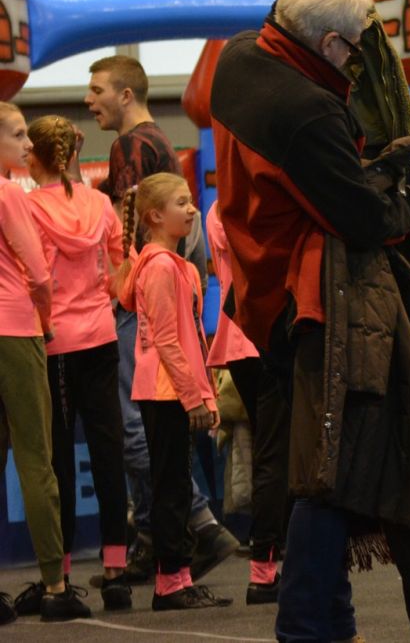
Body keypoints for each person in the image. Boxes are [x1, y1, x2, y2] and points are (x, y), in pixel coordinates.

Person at [210, 0, 410, 643]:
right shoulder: (308, 112)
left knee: (324, 467)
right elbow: (365, 219)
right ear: (328, 43)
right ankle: (306, 625)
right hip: (313, 306)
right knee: (331, 472)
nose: (358, 61)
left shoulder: (238, 58)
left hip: (265, 297)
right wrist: (401, 195)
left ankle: (332, 621)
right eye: (354, 48)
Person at [84, 55, 237, 583]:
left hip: (142, 303)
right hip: (162, 293)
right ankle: (153, 538)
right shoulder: (160, 144)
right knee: (151, 430)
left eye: (98, 89)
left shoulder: (132, 146)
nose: (89, 100)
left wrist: (122, 285)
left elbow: (131, 231)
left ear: (126, 95)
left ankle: (197, 523)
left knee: (137, 429)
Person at [18, 117, 129, 614]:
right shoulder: (100, 204)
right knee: (108, 452)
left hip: (55, 341)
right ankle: (116, 572)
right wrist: (100, 300)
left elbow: (31, 274)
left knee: (58, 458)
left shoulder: (28, 206)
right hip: (102, 336)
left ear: (34, 157)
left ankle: (59, 575)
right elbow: (118, 268)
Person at [116, 173, 231, 613]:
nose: (192, 209)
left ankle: (178, 579)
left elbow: (190, 337)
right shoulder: (161, 267)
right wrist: (193, 396)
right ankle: (169, 584)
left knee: (177, 486)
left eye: (190, 200)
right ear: (154, 216)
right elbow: (166, 340)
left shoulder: (174, 265)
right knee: (171, 488)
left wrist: (205, 394)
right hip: (165, 391)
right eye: (181, 203)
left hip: (173, 390)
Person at [0, 103, 90, 623]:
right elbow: (37, 272)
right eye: (17, 135)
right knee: (36, 460)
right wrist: (47, 319)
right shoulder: (10, 193)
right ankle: (55, 585)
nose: (27, 144)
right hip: (16, 329)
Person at [205, 198, 289, 605]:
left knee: (270, 452)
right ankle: (264, 568)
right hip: (264, 338)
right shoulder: (250, 206)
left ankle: (272, 560)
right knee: (276, 455)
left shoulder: (219, 210)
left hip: (241, 342)